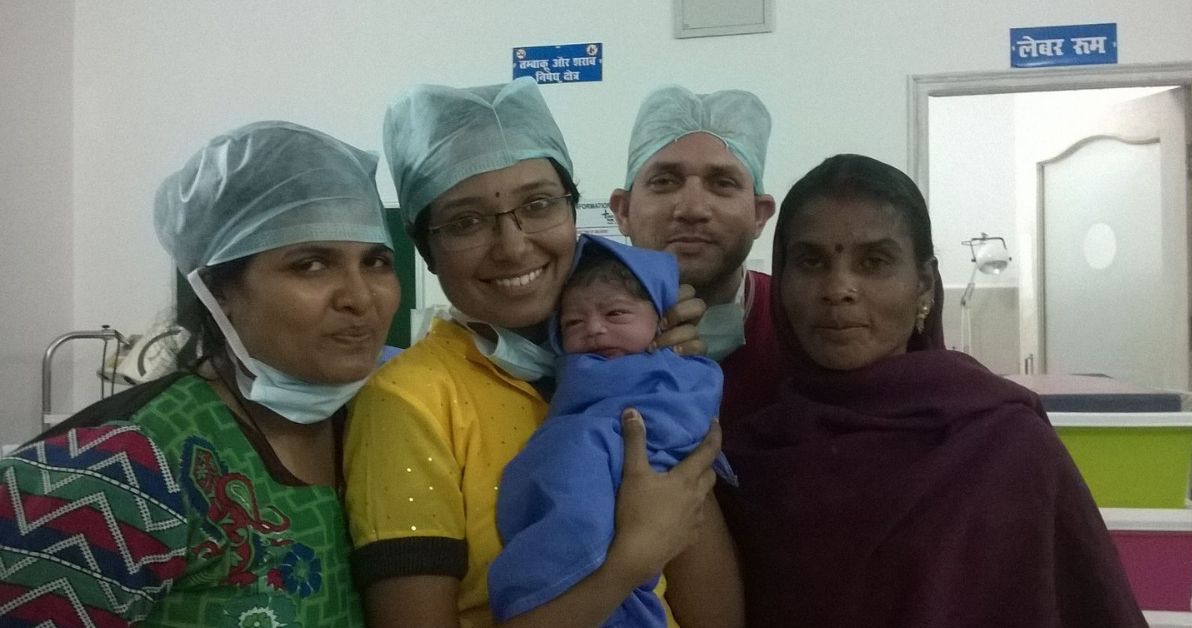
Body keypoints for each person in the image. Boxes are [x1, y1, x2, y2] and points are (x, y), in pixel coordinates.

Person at [345, 78, 733, 628]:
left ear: (573, 209)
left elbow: (712, 609)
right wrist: (627, 564)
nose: (513, 245)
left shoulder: (626, 361)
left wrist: (664, 376)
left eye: (538, 203)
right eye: (465, 221)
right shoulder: (408, 403)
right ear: (423, 246)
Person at [715, 154, 1146, 627]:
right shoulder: (749, 456)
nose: (838, 288)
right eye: (811, 261)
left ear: (923, 284)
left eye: (874, 262)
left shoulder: (1006, 445)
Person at [0, 121, 399, 625]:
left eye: (377, 262)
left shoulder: (381, 425)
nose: (360, 297)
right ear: (219, 292)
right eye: (311, 265)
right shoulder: (117, 475)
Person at [489, 234, 740, 627]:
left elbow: (684, 420)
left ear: (662, 321)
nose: (594, 330)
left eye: (616, 315)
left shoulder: (678, 368)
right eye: (572, 322)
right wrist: (630, 560)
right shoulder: (555, 378)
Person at [609, 85, 785, 425]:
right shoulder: (580, 329)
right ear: (623, 211)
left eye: (722, 183)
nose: (691, 209)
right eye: (664, 181)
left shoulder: (798, 324)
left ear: (759, 214)